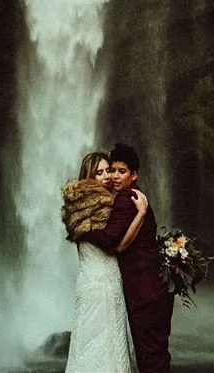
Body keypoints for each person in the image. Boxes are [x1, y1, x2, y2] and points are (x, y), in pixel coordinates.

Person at [84, 143, 171, 373]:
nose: (113, 176)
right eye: (111, 170)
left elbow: (109, 239)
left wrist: (81, 225)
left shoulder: (126, 199)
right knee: (156, 357)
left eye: (121, 171)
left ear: (134, 175)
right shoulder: (135, 196)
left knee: (151, 360)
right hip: (152, 291)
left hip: (144, 293)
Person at [61, 151, 137, 373]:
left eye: (108, 171)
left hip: (99, 280)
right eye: (99, 172)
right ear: (88, 175)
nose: (106, 177)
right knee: (100, 344)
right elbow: (111, 242)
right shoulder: (94, 206)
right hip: (100, 283)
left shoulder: (78, 206)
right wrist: (140, 214)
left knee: (100, 343)